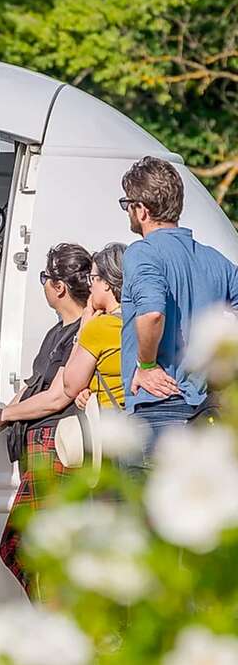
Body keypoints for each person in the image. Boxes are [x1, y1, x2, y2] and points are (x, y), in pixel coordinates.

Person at [0, 243, 91, 594]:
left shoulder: (82, 334)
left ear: (59, 286)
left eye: (45, 277)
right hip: (37, 449)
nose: (44, 284)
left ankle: (59, 625)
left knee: (22, 548)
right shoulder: (57, 331)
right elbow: (33, 385)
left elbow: (56, 396)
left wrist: (4, 414)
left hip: (54, 450)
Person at [119, 156, 238, 466]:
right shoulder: (216, 261)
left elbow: (152, 314)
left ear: (141, 209)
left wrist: (146, 365)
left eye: (127, 205)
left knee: (146, 512)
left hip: (158, 410)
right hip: (207, 412)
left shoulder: (142, 253)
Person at [63, 243, 127, 411]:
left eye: (92, 278)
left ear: (106, 282)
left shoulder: (101, 327)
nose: (89, 286)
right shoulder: (139, 320)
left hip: (110, 425)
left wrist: (83, 327)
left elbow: (70, 385)